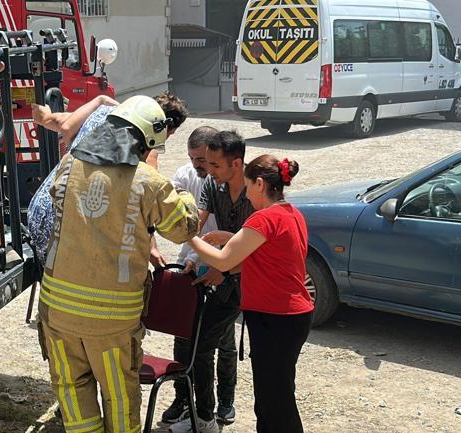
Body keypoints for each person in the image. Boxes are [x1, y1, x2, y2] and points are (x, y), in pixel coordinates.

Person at [36, 95, 199, 433]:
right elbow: (183, 228)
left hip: (57, 312)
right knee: (120, 399)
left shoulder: (69, 164)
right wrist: (182, 194)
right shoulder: (147, 181)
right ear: (147, 141)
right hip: (110, 322)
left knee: (71, 390)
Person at [187, 155, 314, 433]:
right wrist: (228, 239)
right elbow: (258, 258)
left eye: (247, 186)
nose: (245, 193)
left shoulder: (264, 218)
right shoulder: (290, 213)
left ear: (259, 184)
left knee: (276, 402)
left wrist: (188, 236)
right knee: (270, 397)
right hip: (287, 317)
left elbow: (224, 261)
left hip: (276, 318)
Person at [29, 92, 188, 266]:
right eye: (169, 134)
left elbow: (62, 124)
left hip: (41, 210)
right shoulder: (145, 144)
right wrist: (152, 249)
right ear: (160, 126)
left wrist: (100, 99)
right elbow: (146, 203)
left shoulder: (107, 112)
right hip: (67, 222)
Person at [167, 130, 254, 433]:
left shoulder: (256, 192)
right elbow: (198, 223)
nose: (208, 171)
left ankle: (208, 416)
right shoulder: (211, 184)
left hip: (246, 282)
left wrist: (226, 270)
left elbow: (257, 251)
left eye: (214, 165)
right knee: (193, 341)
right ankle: (200, 413)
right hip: (221, 270)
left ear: (237, 164)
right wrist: (192, 255)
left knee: (210, 344)